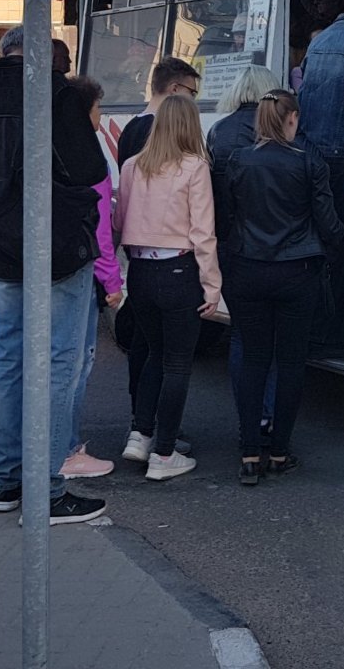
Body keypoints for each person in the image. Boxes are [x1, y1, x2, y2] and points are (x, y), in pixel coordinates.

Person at [0, 26, 108, 524]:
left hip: (2, 246)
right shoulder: (55, 93)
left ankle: (6, 482)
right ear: (44, 54)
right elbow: (90, 170)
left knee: (10, 358)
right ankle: (47, 490)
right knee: (60, 361)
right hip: (59, 246)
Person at [219, 90, 344, 484]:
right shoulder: (309, 163)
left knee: (253, 359)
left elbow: (227, 220)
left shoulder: (239, 161)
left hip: (248, 270)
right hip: (297, 271)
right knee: (290, 363)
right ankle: (280, 451)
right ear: (291, 119)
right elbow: (329, 224)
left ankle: (248, 453)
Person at [115, 94, 220, 481]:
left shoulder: (130, 166)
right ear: (191, 126)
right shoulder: (195, 167)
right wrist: (212, 287)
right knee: (178, 362)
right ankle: (164, 452)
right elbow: (203, 233)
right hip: (179, 270)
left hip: (140, 271)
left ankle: (140, 435)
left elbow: (119, 221)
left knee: (154, 354)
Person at [117, 57, 202, 415]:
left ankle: (141, 418)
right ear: (174, 90)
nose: (194, 101)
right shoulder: (161, 133)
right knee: (165, 355)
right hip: (170, 259)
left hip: (138, 259)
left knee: (143, 343)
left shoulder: (131, 128)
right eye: (192, 92)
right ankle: (154, 425)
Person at [207, 65, 281, 435]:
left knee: (242, 334)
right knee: (275, 337)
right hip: (277, 248)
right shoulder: (277, 132)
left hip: (232, 246)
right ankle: (269, 415)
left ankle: (248, 415)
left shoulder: (218, 132)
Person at [295, 0, 344, 358]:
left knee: (316, 243)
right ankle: (326, 332)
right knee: (339, 247)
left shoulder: (320, 43)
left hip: (309, 149)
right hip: (342, 157)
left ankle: (308, 327)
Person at [59, 75, 121, 480]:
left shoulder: (51, 147)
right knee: (74, 364)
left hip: (44, 266)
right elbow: (99, 232)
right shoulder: (87, 157)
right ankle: (65, 452)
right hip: (78, 271)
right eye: (99, 108)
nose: (102, 116)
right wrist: (113, 284)